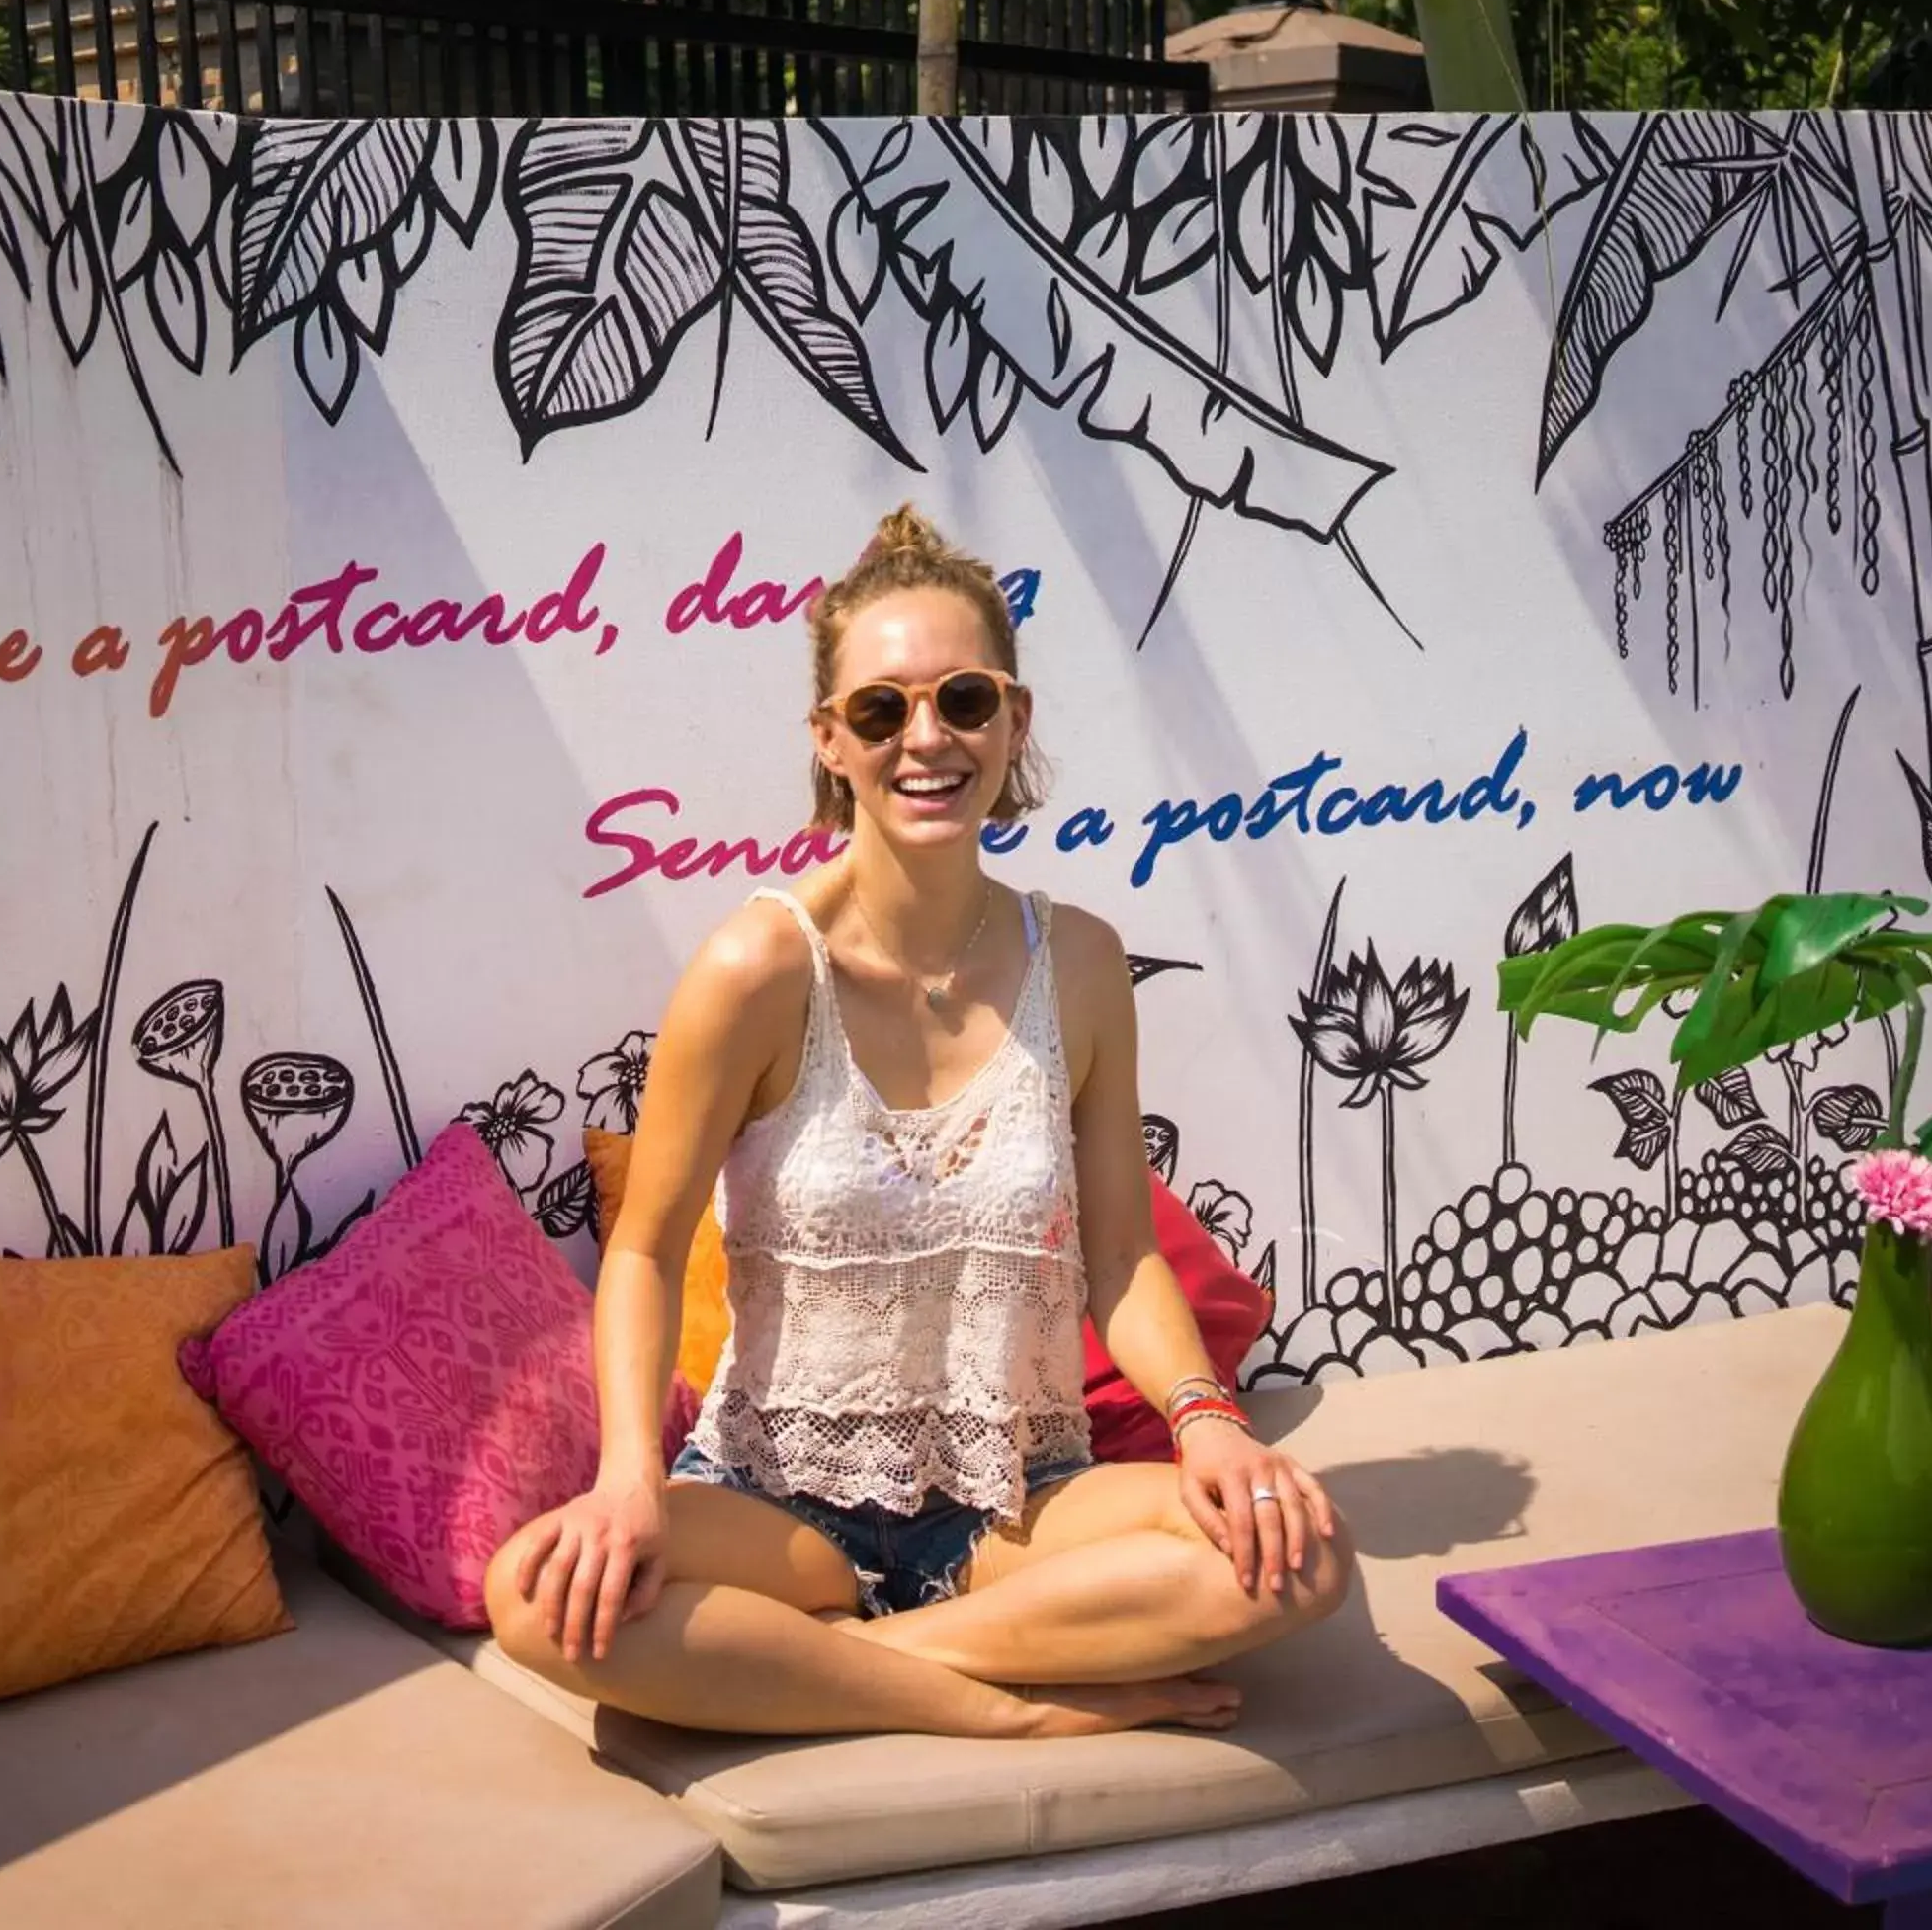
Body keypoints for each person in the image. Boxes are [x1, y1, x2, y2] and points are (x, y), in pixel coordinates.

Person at [486, 507, 1352, 1740]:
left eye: (963, 697)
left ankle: (851, 1667)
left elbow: (1122, 1255)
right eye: (883, 711)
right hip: (776, 1508)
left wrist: (1209, 1420)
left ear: (1015, 719)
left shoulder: (1084, 964)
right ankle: (1002, 1708)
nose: (926, 738)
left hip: (1020, 1501)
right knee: (533, 1592)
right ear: (832, 741)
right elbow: (640, 1248)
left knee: (1305, 1554)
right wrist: (628, 1479)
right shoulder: (755, 967)